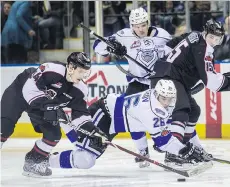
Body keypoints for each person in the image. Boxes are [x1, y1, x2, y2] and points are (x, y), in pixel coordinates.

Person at [49, 79, 211, 173]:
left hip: (114, 122)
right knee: (85, 158)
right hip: (105, 113)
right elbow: (163, 142)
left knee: (85, 153)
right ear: (156, 94)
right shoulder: (150, 109)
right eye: (164, 98)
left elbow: (169, 130)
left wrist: (193, 147)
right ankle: (49, 157)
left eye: (170, 98)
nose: (167, 103)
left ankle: (64, 126)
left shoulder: (160, 100)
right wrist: (184, 150)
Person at [0, 52, 106, 177]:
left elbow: (80, 115)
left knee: (53, 135)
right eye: (81, 71)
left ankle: (33, 162)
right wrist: (49, 106)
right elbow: (29, 89)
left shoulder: (80, 90)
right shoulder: (53, 69)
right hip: (19, 93)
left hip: (44, 106)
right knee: (4, 127)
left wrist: (93, 131)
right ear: (71, 67)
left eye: (86, 72)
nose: (83, 75)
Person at [93, 7, 172, 168]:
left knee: (165, 117)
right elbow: (97, 47)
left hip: (158, 85)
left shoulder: (163, 35)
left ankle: (171, 150)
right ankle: (142, 152)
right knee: (132, 118)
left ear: (148, 22)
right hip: (137, 83)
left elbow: (175, 56)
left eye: (143, 25)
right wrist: (112, 47)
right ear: (131, 25)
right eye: (136, 26)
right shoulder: (123, 35)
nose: (140, 29)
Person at [149, 19, 230, 165]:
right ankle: (173, 152)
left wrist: (169, 61)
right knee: (182, 109)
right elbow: (211, 81)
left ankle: (188, 147)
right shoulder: (203, 48)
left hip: (168, 74)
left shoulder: (195, 35)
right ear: (205, 33)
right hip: (169, 77)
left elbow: (172, 44)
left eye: (217, 39)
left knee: (194, 111)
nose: (213, 41)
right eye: (211, 37)